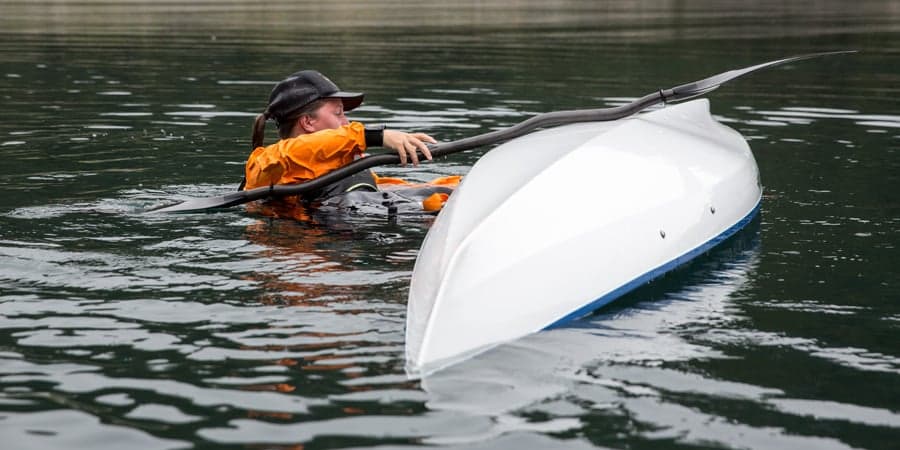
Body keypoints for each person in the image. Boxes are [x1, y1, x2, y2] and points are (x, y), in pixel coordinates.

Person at [241, 70, 445, 203]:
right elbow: (296, 151)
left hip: (361, 236)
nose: (346, 122)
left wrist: (454, 186)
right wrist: (373, 136)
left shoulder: (343, 161)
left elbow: (388, 189)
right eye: (338, 113)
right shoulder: (267, 162)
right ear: (308, 122)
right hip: (309, 254)